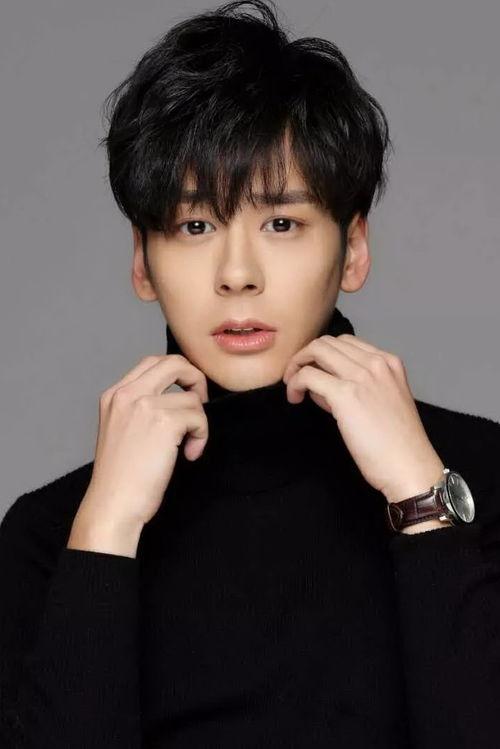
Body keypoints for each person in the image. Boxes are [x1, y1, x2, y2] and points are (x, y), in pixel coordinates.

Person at [1, 1, 500, 746]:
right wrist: (105, 532)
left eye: (282, 223)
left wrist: (423, 504)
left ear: (354, 249)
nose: (237, 274)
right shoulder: (54, 533)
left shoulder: (481, 480)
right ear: (143, 261)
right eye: (195, 225)